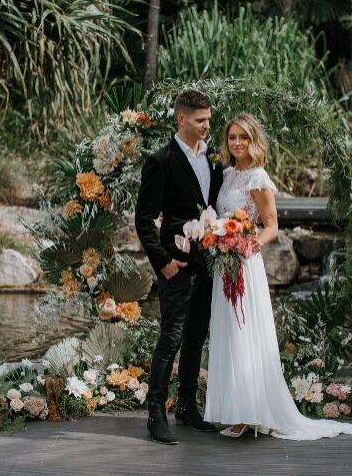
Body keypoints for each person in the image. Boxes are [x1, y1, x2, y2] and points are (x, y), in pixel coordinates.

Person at [203, 113, 352, 440]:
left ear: (254, 141)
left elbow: (272, 226)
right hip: (224, 265)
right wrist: (218, 236)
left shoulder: (258, 178)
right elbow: (221, 215)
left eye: (243, 138)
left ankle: (249, 412)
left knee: (243, 334)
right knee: (226, 335)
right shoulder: (227, 174)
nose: (236, 143)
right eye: (232, 137)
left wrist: (245, 244)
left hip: (244, 263)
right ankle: (234, 408)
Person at [135, 90, 224, 444]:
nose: (207, 126)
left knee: (196, 336)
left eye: (208, 120)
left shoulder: (213, 160)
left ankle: (186, 406)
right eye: (201, 120)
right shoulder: (161, 161)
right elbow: (144, 219)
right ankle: (155, 412)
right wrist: (162, 263)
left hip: (209, 261)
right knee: (171, 335)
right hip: (176, 263)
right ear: (181, 119)